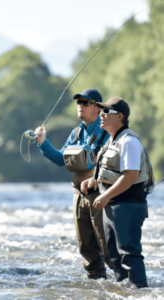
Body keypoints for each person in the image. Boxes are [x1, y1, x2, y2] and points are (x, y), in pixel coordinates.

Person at [35, 88, 113, 279]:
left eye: (85, 102)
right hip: (78, 193)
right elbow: (62, 159)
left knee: (106, 244)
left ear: (97, 107)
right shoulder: (76, 132)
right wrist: (43, 143)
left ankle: (129, 285)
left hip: (100, 191)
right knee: (85, 245)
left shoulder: (108, 130)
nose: (81, 106)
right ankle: (97, 287)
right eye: (79, 102)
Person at [81, 97, 149, 288]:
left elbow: (130, 176)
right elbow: (112, 172)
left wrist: (105, 195)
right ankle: (124, 291)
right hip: (113, 205)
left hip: (127, 205)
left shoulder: (128, 141)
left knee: (129, 253)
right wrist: (94, 181)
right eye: (101, 111)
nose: (101, 115)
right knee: (114, 254)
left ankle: (140, 292)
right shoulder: (112, 140)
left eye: (106, 112)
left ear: (120, 116)